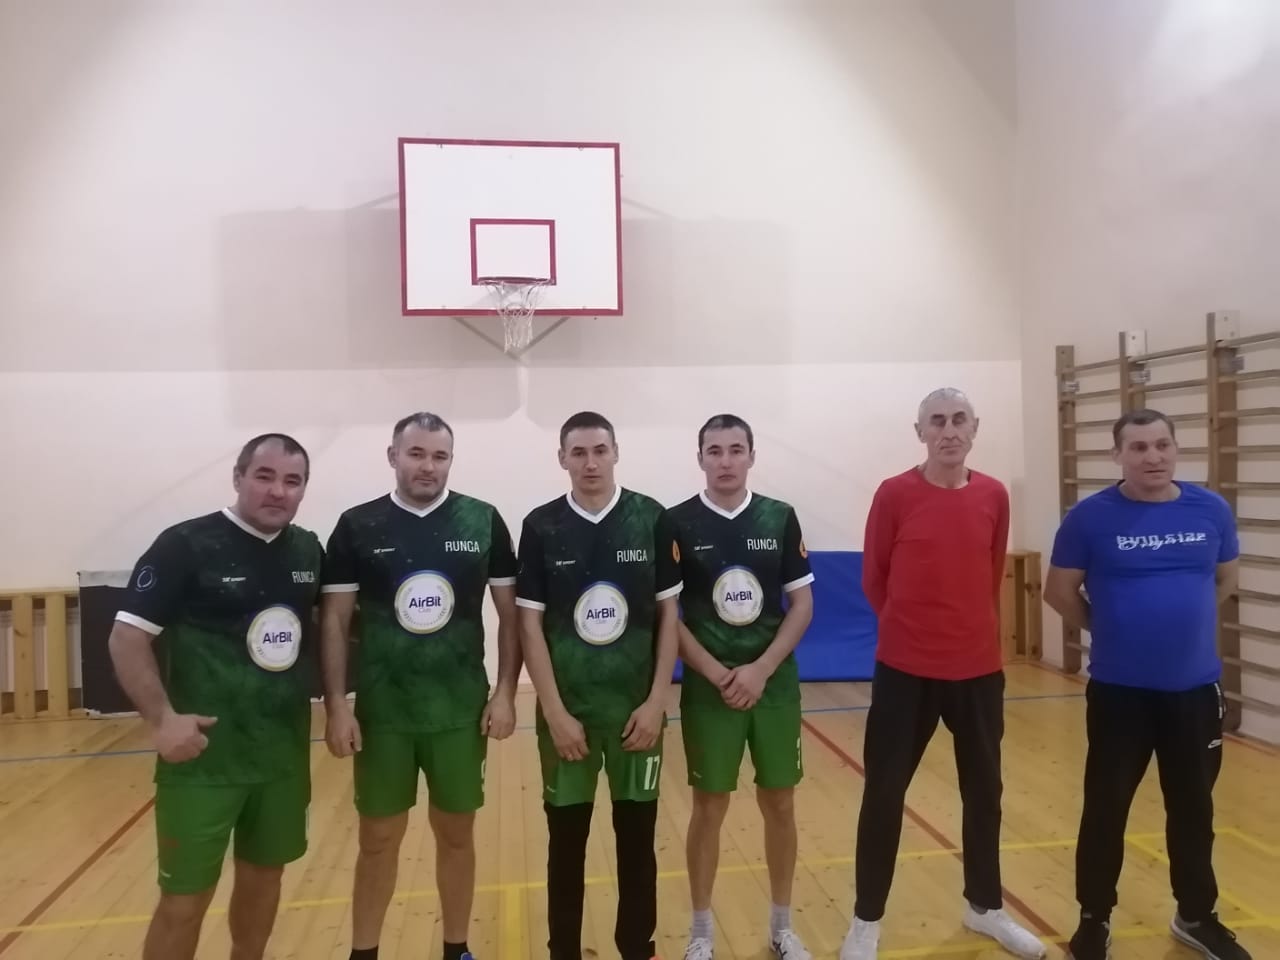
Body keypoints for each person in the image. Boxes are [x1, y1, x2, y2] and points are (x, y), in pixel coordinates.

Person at [839, 388, 1045, 960]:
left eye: (958, 420)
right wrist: (912, 633)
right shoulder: (893, 494)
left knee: (984, 793)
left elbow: (990, 571)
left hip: (977, 672)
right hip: (905, 672)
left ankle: (985, 906)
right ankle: (866, 920)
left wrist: (966, 636)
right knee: (884, 793)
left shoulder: (994, 495)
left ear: (974, 428)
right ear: (920, 432)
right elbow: (875, 577)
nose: (948, 430)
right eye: (937, 421)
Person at [1045, 409, 1251, 960]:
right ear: (1117, 455)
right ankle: (1094, 918)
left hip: (1195, 693)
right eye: (1138, 448)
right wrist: (1109, 628)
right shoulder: (1089, 518)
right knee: (1105, 808)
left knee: (1193, 810)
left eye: (1162, 445)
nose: (1153, 457)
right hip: (1120, 695)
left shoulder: (1210, 509)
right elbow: (1059, 592)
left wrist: (1185, 622)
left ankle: (1196, 915)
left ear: (1176, 448)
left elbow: (1226, 576)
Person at [108, 433, 323, 960]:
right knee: (183, 903)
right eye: (265, 476)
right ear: (238, 477)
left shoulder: (307, 550)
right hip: (203, 762)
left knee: (264, 883)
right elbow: (127, 636)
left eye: (292, 481)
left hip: (281, 760)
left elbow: (337, 622)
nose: (278, 491)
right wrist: (162, 720)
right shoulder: (185, 544)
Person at [319, 412, 521, 960]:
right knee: (378, 840)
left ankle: (456, 949)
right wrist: (336, 704)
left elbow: (511, 615)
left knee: (456, 835)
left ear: (450, 460)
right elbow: (334, 620)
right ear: (393, 457)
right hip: (384, 715)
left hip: (460, 712)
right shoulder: (357, 526)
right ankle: (364, 952)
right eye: (416, 454)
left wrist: (505, 691)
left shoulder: (483, 520)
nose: (427, 466)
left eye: (439, 456)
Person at [516, 410, 682, 960]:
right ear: (562, 458)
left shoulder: (651, 518)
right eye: (579, 452)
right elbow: (529, 625)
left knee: (637, 845)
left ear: (616, 453)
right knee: (566, 848)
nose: (590, 462)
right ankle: (563, 951)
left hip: (637, 717)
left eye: (600, 450)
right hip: (569, 721)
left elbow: (669, 617)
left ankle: (637, 948)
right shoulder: (541, 526)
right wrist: (554, 712)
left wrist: (657, 701)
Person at [666, 414, 816, 960]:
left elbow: (802, 604)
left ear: (751, 456)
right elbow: (667, 615)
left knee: (780, 803)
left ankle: (782, 927)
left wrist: (761, 669)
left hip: (772, 685)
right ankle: (701, 934)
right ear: (700, 459)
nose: (725, 460)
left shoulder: (779, 517)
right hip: (709, 689)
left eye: (735, 450)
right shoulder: (676, 522)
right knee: (709, 807)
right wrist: (716, 672)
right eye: (715, 451)